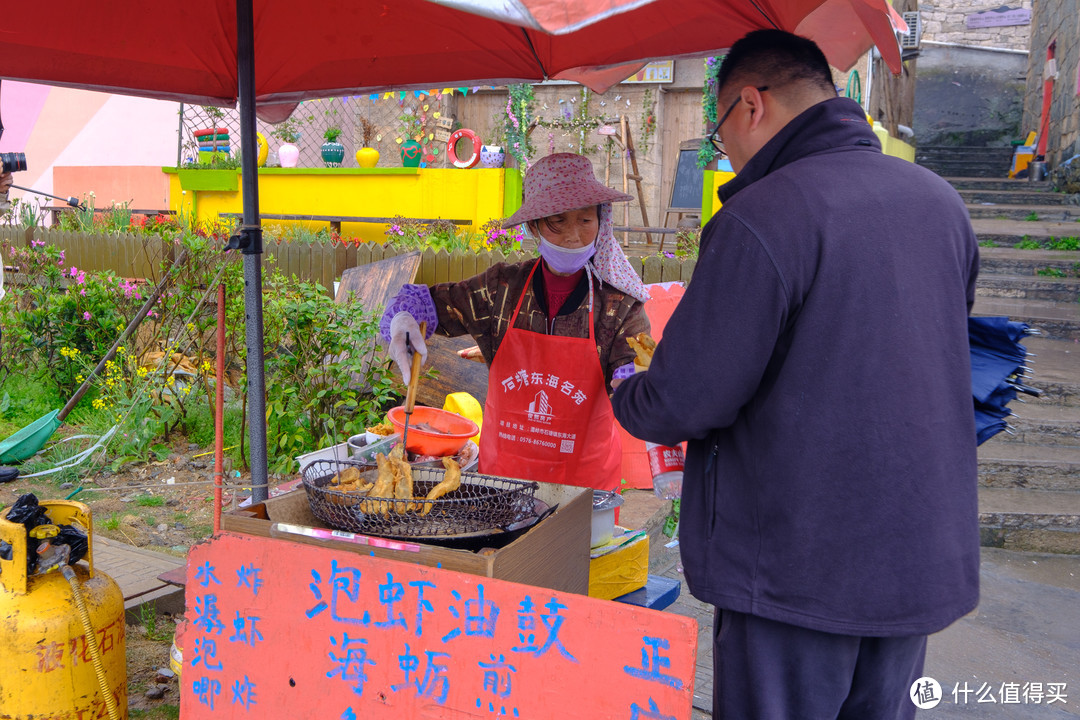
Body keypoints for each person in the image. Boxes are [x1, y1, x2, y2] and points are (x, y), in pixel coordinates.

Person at [612, 30, 980, 720]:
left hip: (795, 563)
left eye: (719, 135)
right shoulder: (941, 204)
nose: (728, 154)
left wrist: (627, 392)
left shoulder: (765, 214)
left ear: (751, 104)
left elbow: (687, 397)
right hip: (916, 552)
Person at [382, 153, 650, 491]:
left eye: (586, 220)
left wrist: (633, 385)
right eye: (558, 221)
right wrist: (403, 315)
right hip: (503, 483)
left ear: (602, 221)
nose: (574, 235)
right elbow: (430, 303)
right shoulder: (500, 289)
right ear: (534, 225)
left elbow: (635, 367)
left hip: (583, 489)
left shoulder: (618, 305)